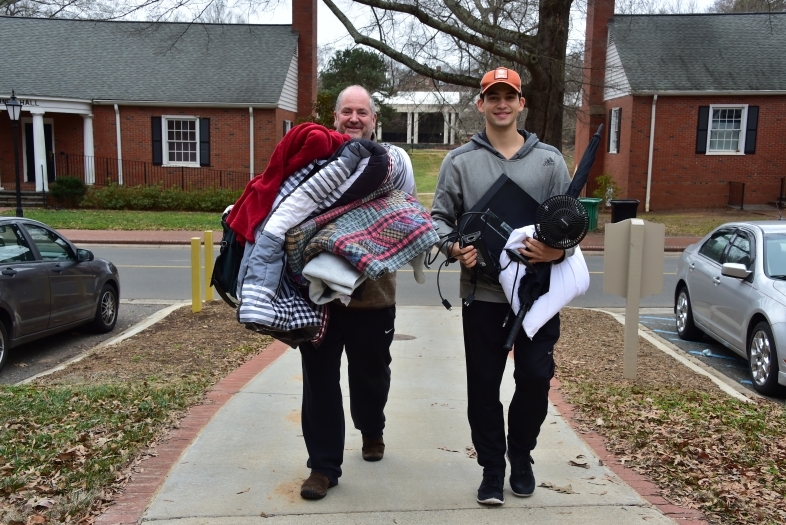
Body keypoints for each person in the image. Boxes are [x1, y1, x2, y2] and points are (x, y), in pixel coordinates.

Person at [430, 67, 573, 505]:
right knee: (484, 385)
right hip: (484, 293)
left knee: (534, 377)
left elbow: (570, 224)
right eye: (493, 96)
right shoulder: (460, 162)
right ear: (481, 104)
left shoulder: (549, 161)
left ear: (521, 103)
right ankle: (493, 467)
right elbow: (438, 219)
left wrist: (557, 251)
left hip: (537, 294)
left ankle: (521, 455)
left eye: (509, 95)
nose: (501, 103)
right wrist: (455, 248)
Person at [298, 85, 416, 500]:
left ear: (373, 120)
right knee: (319, 380)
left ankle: (372, 428)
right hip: (319, 296)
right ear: (335, 117)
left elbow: (409, 214)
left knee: (371, 375)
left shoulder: (394, 163)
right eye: (346, 111)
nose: (353, 118)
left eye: (361, 112)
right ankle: (323, 466)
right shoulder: (315, 161)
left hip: (374, 294)